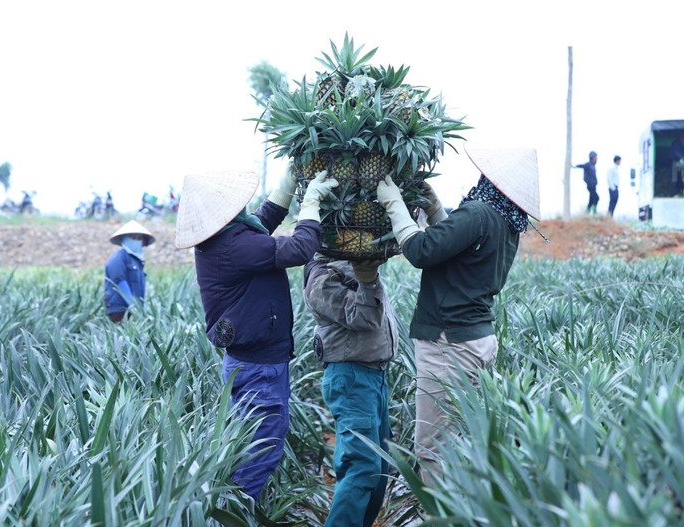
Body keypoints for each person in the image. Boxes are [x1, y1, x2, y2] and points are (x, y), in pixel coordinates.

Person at [376, 145, 541, 486]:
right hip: (477, 341)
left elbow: (422, 251)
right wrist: (437, 211)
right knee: (461, 438)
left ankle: (439, 516)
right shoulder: (506, 222)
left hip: (448, 343)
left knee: (434, 447)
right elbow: (459, 252)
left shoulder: (479, 212)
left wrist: (393, 203)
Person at [174, 168, 338, 503]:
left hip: (248, 361)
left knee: (249, 444)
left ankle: (235, 510)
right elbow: (299, 249)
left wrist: (288, 185)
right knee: (261, 451)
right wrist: (310, 205)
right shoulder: (235, 244)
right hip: (260, 368)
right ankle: (236, 515)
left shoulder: (224, 238)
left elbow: (261, 223)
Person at [303, 255, 397, 526]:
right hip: (352, 377)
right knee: (362, 466)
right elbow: (364, 317)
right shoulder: (321, 279)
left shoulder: (348, 264)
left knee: (378, 466)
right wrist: (367, 277)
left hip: (372, 375)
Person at [103, 220, 155, 323]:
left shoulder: (137, 261)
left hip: (135, 308)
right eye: (133, 237)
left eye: (139, 238)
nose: (136, 241)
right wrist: (132, 305)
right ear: (124, 239)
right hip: (120, 308)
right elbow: (119, 281)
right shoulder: (118, 257)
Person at [575, 151, 599, 215]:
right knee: (596, 198)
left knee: (591, 200)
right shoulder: (588, 164)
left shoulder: (593, 166)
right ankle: (594, 213)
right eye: (595, 157)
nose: (597, 158)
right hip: (590, 185)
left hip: (593, 185)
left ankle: (587, 212)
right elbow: (582, 166)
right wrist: (575, 166)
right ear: (592, 157)